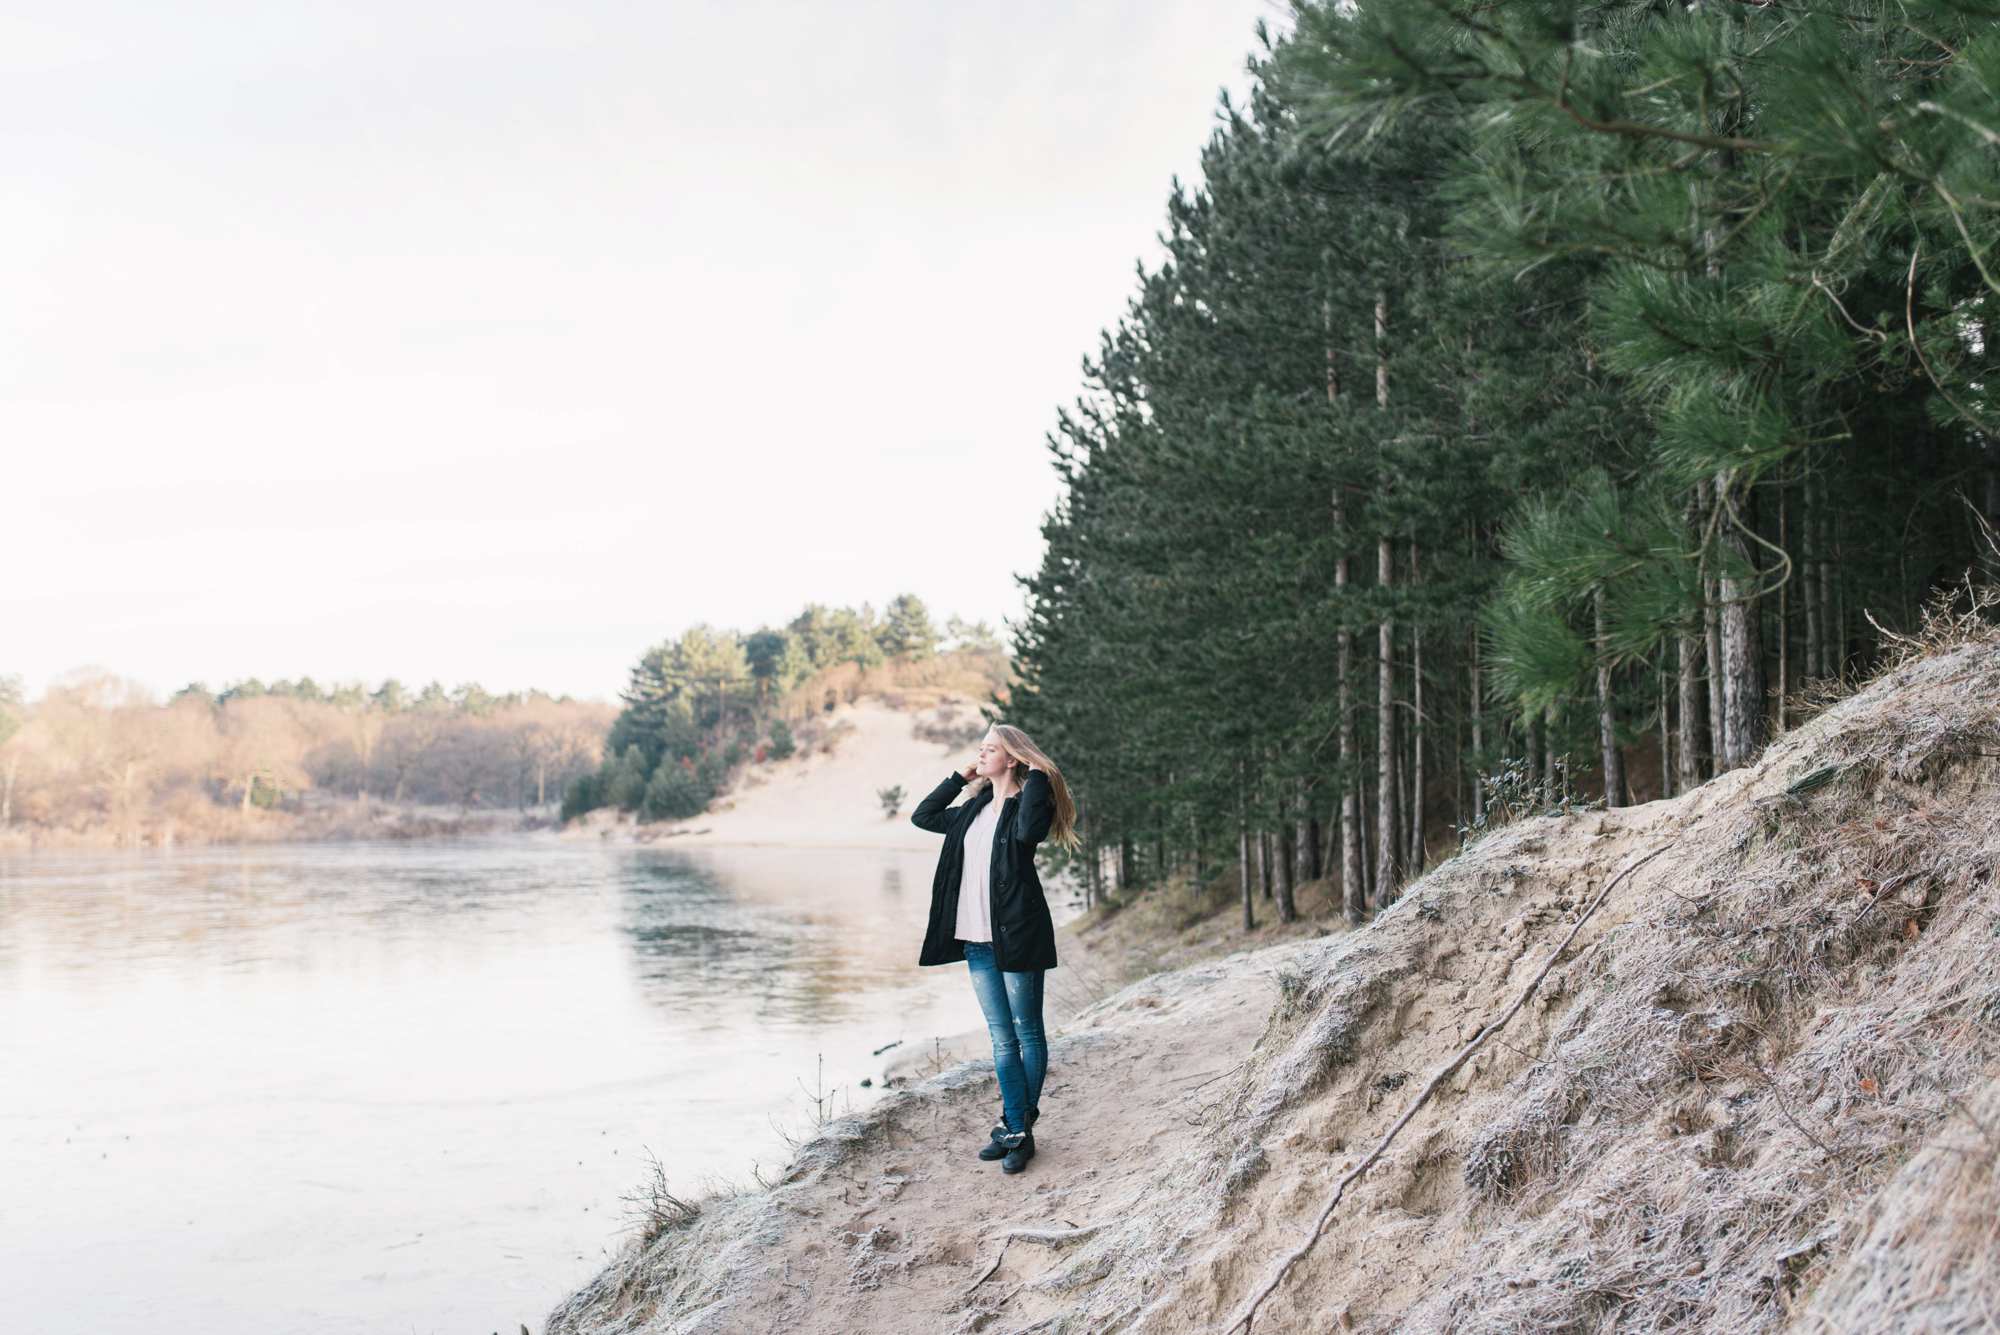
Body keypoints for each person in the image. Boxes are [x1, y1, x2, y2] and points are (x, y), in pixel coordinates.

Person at [909, 723, 1081, 1175]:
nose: (980, 755)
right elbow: (922, 817)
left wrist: (1037, 773)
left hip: (1018, 934)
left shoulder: (1029, 802)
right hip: (976, 939)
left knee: (1027, 1034)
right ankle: (1015, 1127)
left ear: (1012, 758)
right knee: (1002, 1039)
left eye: (989, 750)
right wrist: (959, 778)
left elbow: (1027, 834)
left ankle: (1017, 1130)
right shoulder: (973, 808)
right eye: (980, 749)